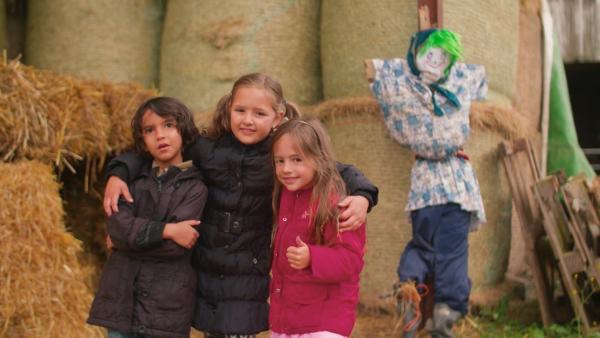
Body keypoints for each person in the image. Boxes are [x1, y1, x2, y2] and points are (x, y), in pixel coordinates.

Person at [102, 73, 379, 338]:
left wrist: (363, 196)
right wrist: (118, 174)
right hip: (206, 267)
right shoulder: (208, 148)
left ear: (277, 118)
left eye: (259, 114)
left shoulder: (281, 155)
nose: (248, 120)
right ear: (228, 109)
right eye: (241, 111)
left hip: (248, 271)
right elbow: (162, 146)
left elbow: (334, 168)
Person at [365, 29, 488, 338]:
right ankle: (447, 311)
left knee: (421, 246)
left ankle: (408, 289)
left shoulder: (406, 87)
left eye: (441, 57)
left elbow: (379, 70)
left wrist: (379, 68)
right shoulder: (458, 79)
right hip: (456, 185)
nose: (435, 62)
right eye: (429, 55)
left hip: (423, 187)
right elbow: (481, 81)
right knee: (451, 252)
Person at [88, 96, 208, 338]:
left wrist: (126, 243)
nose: (160, 135)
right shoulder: (128, 181)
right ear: (142, 140)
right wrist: (167, 231)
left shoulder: (196, 188)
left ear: (183, 129)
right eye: (149, 130)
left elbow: (175, 248)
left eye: (168, 125)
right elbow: (117, 230)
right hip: (123, 302)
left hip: (165, 309)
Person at [269, 118, 366, 338]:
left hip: (325, 321)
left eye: (297, 160)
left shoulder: (338, 201)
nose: (286, 169)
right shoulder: (284, 196)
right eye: (279, 161)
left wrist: (312, 257)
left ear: (320, 158)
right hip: (287, 318)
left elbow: (352, 260)